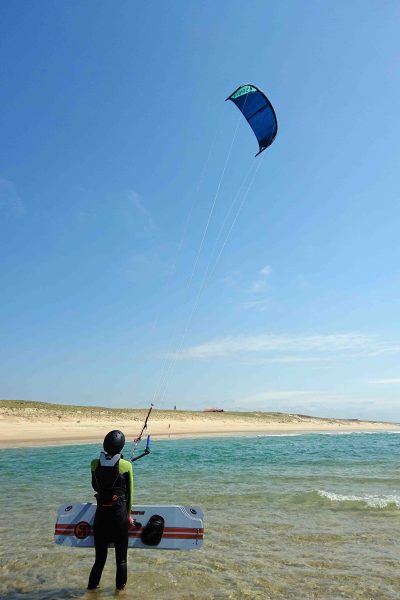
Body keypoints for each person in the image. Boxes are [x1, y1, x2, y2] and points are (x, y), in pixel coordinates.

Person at [88, 430, 134, 591]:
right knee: (121, 561)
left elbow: (96, 485)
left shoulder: (94, 463)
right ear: (121, 447)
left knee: (99, 560)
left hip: (100, 517)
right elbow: (130, 493)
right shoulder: (126, 465)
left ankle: (91, 591)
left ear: (105, 445)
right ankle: (120, 594)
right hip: (118, 518)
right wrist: (128, 515)